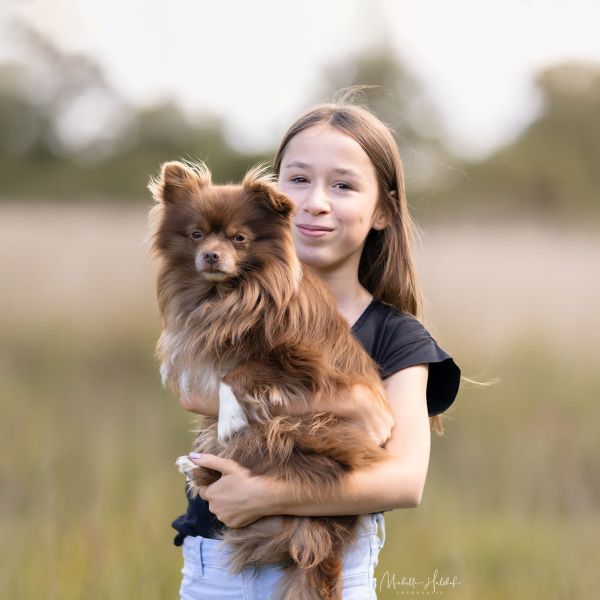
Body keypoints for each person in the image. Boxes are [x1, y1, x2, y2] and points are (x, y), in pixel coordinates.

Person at [172, 98, 462, 599]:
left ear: (383, 212)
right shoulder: (234, 298)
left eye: (344, 185)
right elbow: (194, 389)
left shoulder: (397, 336)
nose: (316, 202)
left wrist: (265, 495)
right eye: (298, 180)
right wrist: (345, 400)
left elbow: (406, 481)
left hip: (332, 570)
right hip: (216, 566)